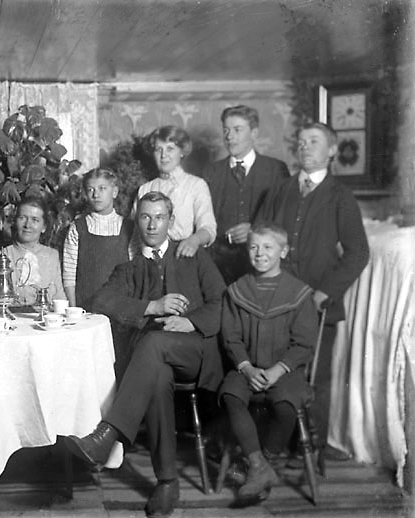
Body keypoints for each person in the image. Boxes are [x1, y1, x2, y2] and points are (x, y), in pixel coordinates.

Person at [65, 191, 225, 518]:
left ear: (171, 221)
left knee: (151, 345)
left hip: (195, 351)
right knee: (157, 373)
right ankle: (167, 482)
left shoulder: (192, 255)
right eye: (145, 217)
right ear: (136, 220)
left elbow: (222, 302)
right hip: (153, 363)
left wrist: (190, 321)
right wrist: (152, 306)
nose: (152, 225)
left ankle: (108, 434)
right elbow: (100, 302)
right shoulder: (129, 267)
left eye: (159, 217)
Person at [259, 122, 369, 461]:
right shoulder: (280, 190)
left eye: (314, 141)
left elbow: (358, 253)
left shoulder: (340, 196)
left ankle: (312, 448)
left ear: (332, 150)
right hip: (275, 303)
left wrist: (324, 293)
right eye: (302, 141)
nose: (305, 146)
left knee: (315, 377)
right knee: (276, 370)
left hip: (318, 304)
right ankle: (274, 444)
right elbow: (260, 237)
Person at [218, 223, 318, 502]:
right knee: (231, 395)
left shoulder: (299, 293)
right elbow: (231, 337)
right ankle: (258, 465)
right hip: (246, 367)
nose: (259, 253)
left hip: (285, 370)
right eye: (253, 247)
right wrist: (246, 367)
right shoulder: (237, 291)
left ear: (283, 252)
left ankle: (266, 462)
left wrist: (277, 370)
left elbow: (304, 343)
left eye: (267, 247)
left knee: (286, 405)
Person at [202, 105, 290, 284]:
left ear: (254, 133)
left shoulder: (275, 169)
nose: (229, 136)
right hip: (218, 264)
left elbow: (283, 216)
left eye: (237, 130)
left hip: (261, 262)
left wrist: (254, 229)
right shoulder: (211, 172)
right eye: (226, 130)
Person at [130, 126, 217, 259]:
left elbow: (208, 228)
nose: (163, 155)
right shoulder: (145, 189)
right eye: (158, 149)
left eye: (170, 149)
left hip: (183, 256)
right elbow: (135, 234)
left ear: (181, 152)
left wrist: (194, 241)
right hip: (149, 258)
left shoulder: (196, 185)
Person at [62, 168, 134, 308]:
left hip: (121, 307)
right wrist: (74, 311)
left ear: (114, 192)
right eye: (90, 190)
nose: (96, 195)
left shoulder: (129, 228)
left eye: (102, 188)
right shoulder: (77, 228)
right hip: (86, 307)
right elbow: (69, 276)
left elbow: (134, 275)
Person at [0, 196, 65, 307]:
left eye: (35, 220)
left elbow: (59, 297)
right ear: (15, 221)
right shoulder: (0, 257)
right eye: (22, 218)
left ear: (44, 227)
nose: (27, 225)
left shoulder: (52, 256)